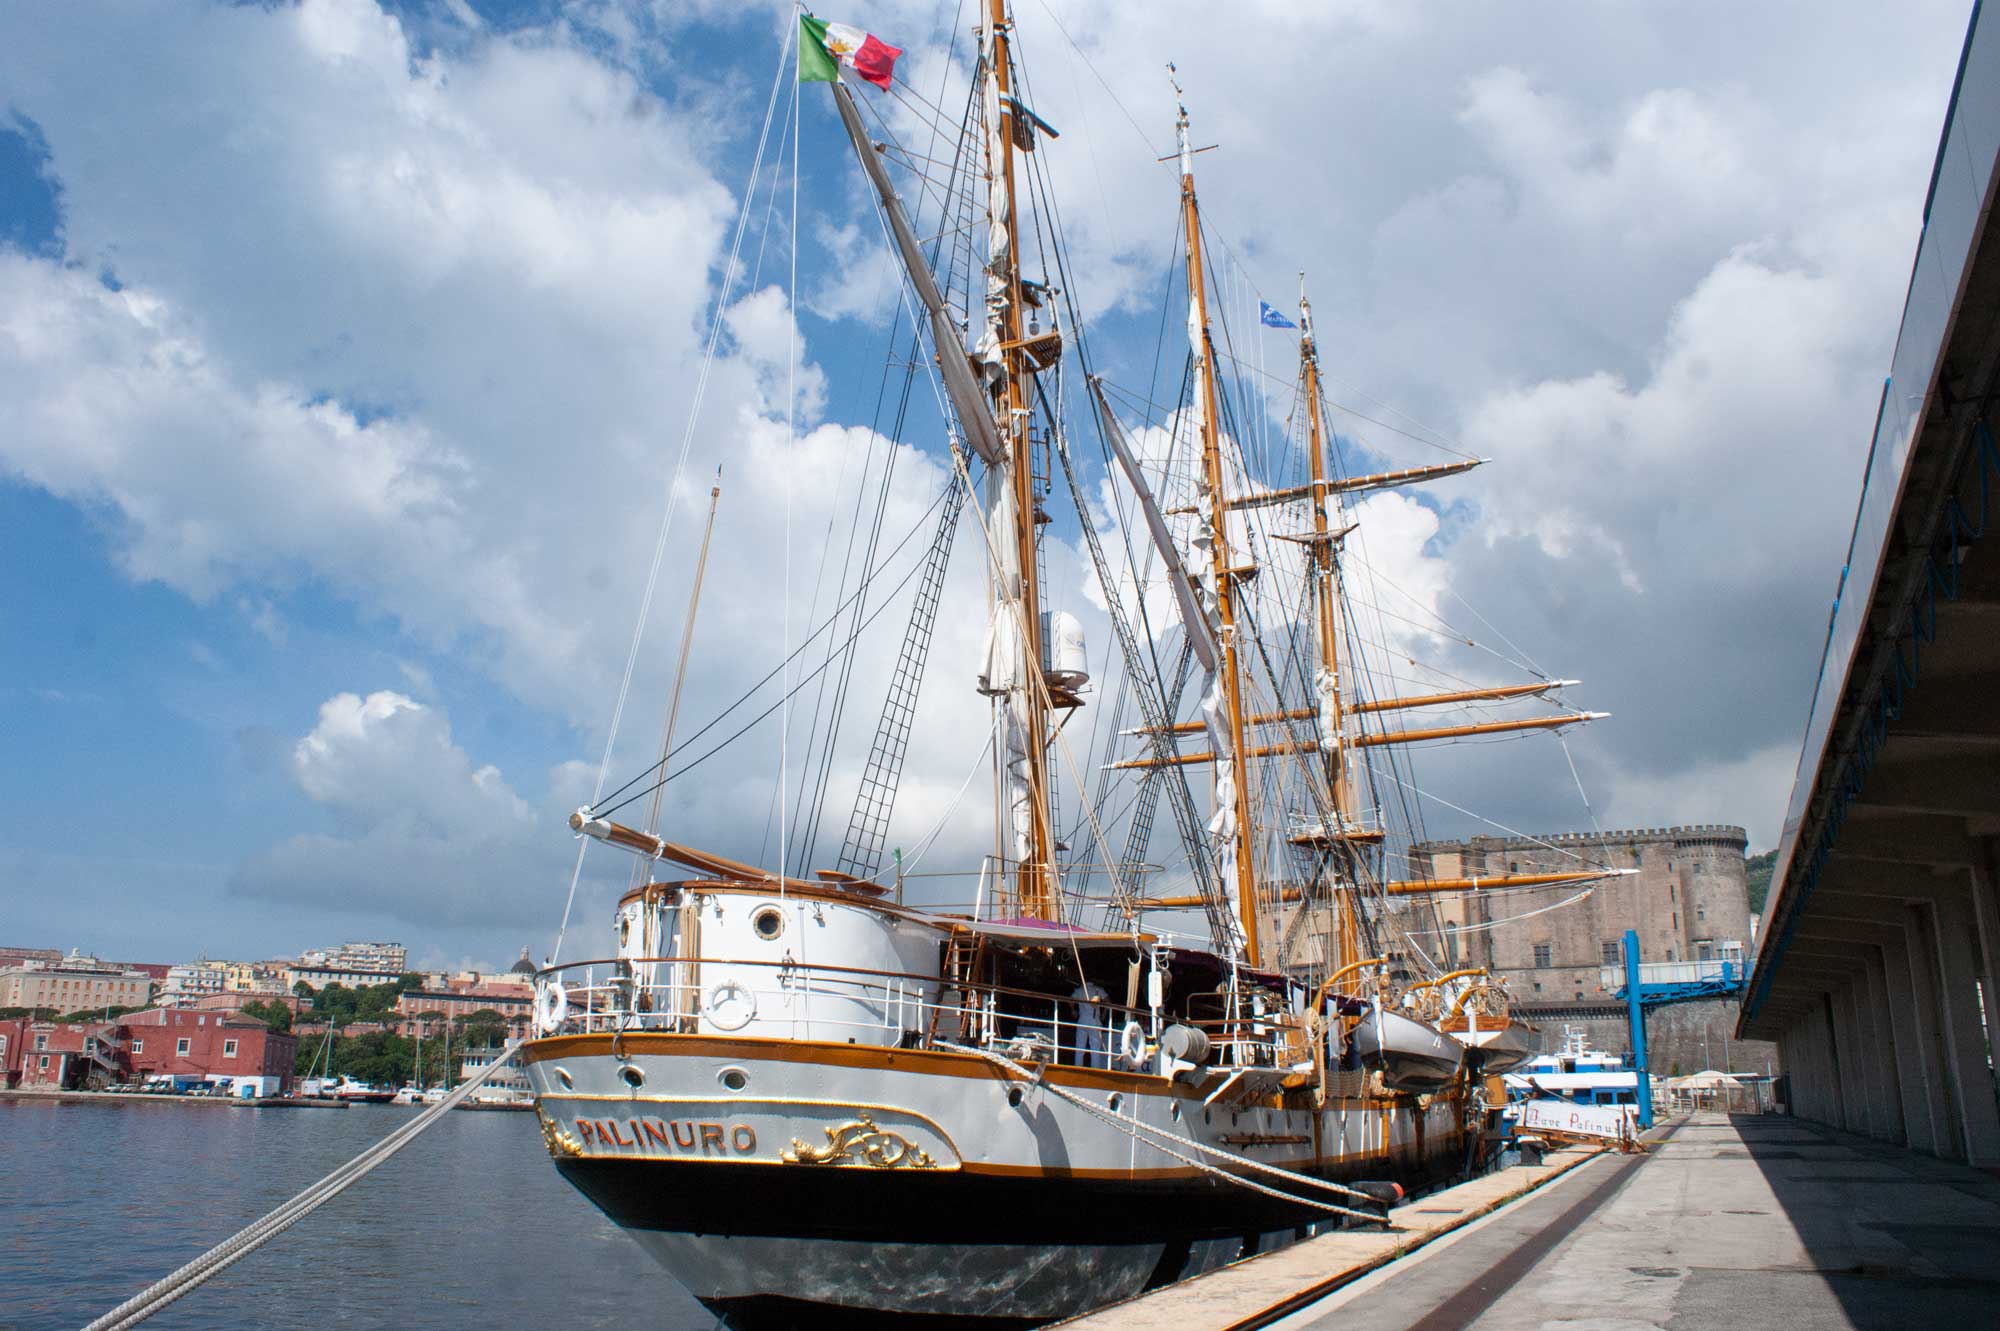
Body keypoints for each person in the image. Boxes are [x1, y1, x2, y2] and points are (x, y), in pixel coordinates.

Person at [1070, 979, 1109, 1069]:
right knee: (1095, 1048)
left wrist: (1073, 1010)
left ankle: (1077, 1068)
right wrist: (1103, 1015)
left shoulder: (1079, 990)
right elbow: (1108, 1002)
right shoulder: (1099, 990)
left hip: (1082, 1020)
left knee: (1079, 1047)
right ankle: (1095, 1069)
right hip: (1094, 1021)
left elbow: (1070, 1000)